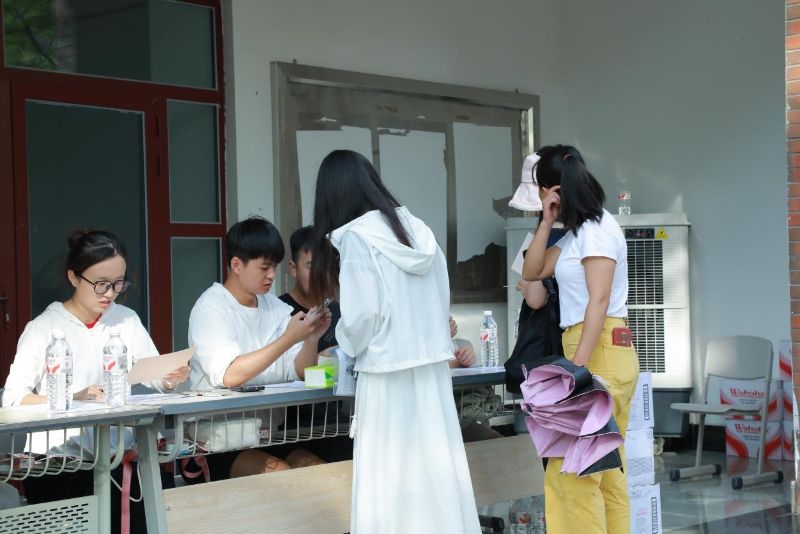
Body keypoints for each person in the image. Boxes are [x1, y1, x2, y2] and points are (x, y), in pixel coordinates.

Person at [308, 149, 481, 533]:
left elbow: (362, 318)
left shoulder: (358, 238)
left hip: (386, 376)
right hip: (431, 374)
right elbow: (441, 300)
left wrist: (344, 340)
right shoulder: (419, 230)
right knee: (438, 477)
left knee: (389, 484)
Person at [2, 229, 189, 534]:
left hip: (118, 459)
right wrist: (72, 398)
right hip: (60, 464)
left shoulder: (125, 319)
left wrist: (170, 377)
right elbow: (13, 398)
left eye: (119, 283)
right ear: (74, 277)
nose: (110, 293)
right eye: (101, 284)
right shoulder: (44, 328)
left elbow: (151, 371)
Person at [521, 144, 639, 534]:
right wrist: (545, 222)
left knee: (572, 473)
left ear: (551, 188)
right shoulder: (578, 233)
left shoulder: (597, 229)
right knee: (604, 471)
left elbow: (598, 300)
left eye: (539, 190)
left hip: (597, 351)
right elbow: (532, 270)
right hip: (599, 350)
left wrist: (577, 371)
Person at [187, 216, 331, 478]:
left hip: (271, 434)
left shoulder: (275, 308)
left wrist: (311, 338)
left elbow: (300, 371)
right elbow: (230, 375)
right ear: (236, 265)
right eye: (264, 267)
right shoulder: (212, 307)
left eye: (274, 266)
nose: (272, 275)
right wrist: (288, 338)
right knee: (283, 476)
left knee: (319, 473)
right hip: (219, 441)